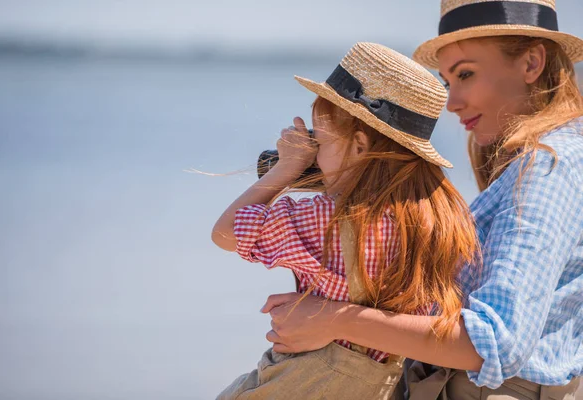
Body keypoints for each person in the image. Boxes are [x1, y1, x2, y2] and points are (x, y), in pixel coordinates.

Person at [259, 1, 583, 398]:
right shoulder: (542, 160)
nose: (452, 102)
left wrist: (335, 319)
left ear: (532, 63)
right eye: (448, 81)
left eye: (466, 74)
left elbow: (493, 344)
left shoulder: (546, 166)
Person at [211, 42, 479, 399]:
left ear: (358, 146)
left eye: (318, 143)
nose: (315, 156)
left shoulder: (325, 219)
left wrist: (285, 169)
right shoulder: (439, 221)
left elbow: (226, 233)